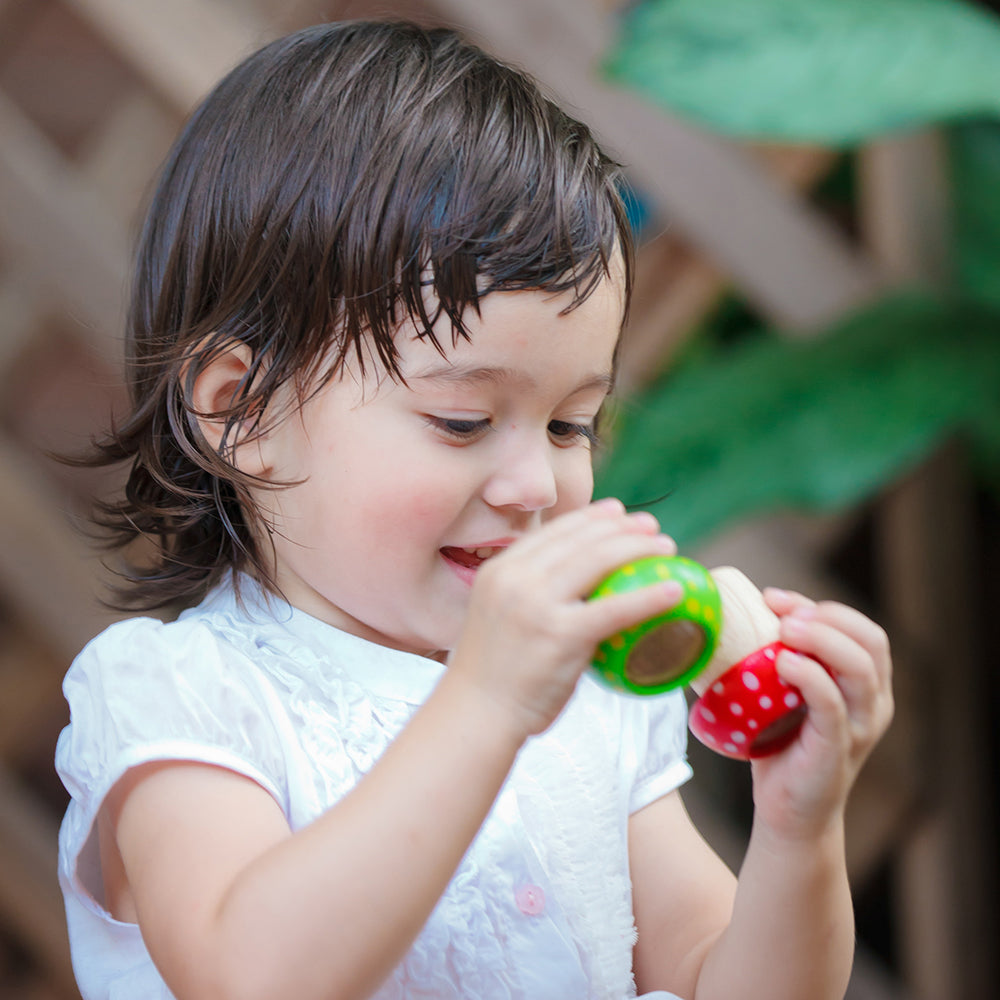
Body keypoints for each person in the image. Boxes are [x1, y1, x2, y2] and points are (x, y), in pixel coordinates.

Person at [55, 19, 893, 1000]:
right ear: (242, 410)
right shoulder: (184, 699)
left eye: (571, 425)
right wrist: (488, 702)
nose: (533, 486)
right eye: (461, 420)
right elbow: (254, 977)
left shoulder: (591, 701)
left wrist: (799, 828)